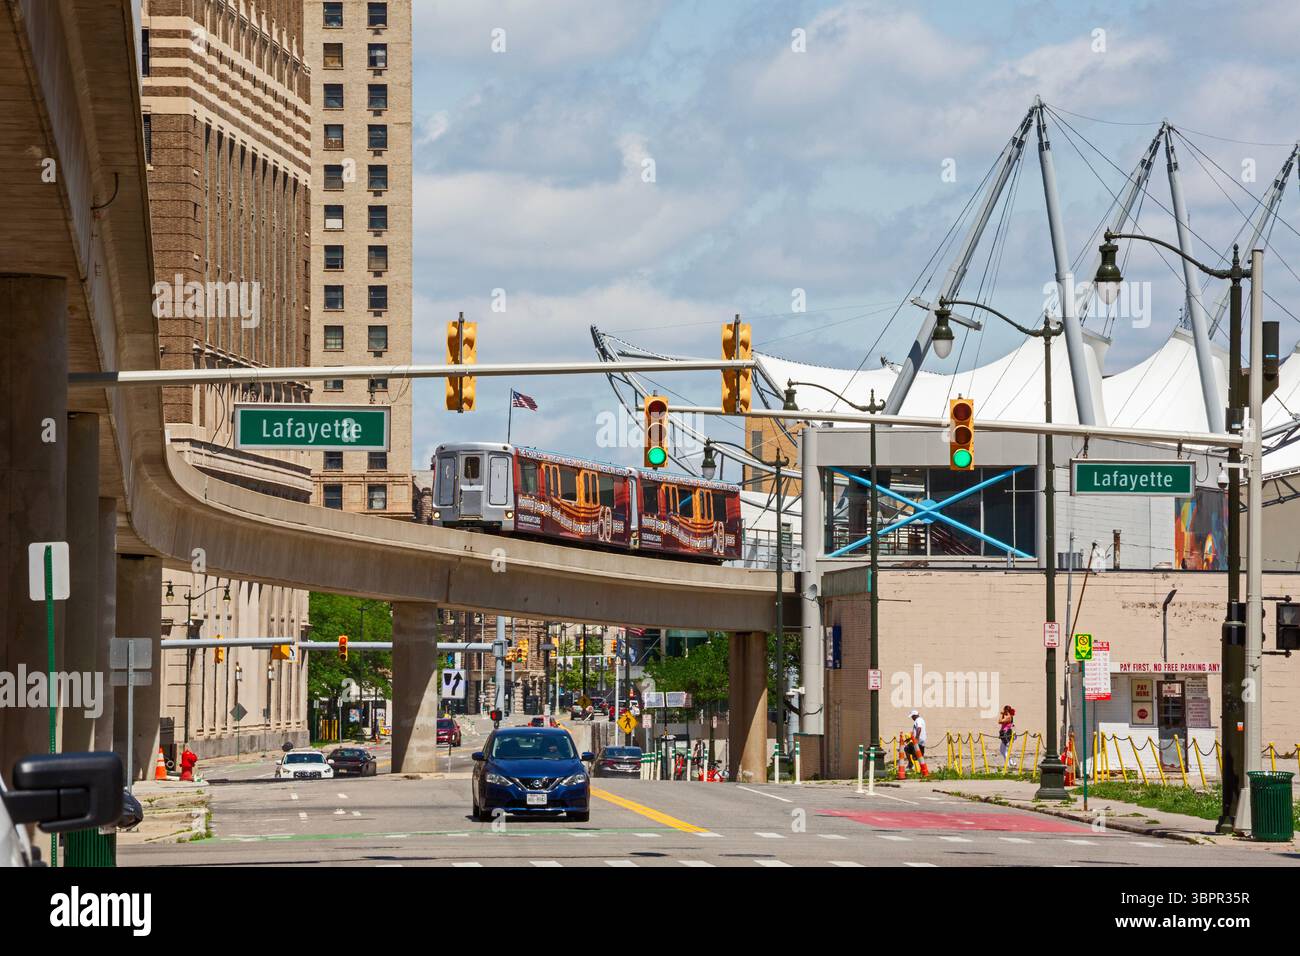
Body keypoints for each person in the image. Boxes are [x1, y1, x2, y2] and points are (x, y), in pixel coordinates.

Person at [904, 709, 927, 774]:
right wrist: (910, 739)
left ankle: (911, 765)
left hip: (918, 741)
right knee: (919, 756)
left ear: (914, 716)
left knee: (907, 749)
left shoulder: (918, 720)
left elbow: (919, 728)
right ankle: (921, 770)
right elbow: (915, 731)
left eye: (912, 716)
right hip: (921, 741)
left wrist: (916, 739)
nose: (912, 718)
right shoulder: (921, 720)